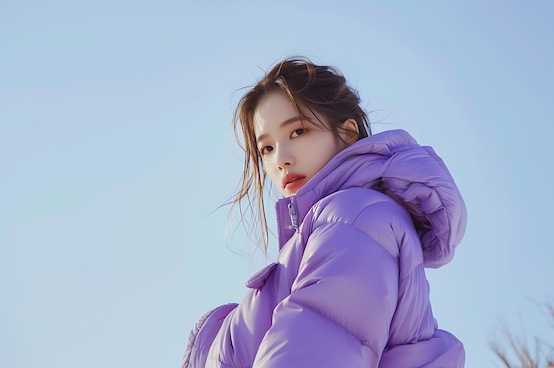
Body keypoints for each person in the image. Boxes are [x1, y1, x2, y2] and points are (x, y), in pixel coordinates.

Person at [182, 57, 467, 368]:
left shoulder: (354, 219)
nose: (281, 159)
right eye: (266, 148)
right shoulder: (335, 225)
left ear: (346, 134)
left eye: (298, 131)